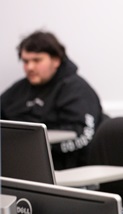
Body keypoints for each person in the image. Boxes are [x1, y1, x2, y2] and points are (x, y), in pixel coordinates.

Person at [1, 30, 106, 170]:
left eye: (37, 60)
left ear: (56, 60)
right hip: (19, 164)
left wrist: (38, 146)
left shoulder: (76, 89)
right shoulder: (20, 89)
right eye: (26, 61)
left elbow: (83, 136)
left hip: (66, 168)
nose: (30, 67)